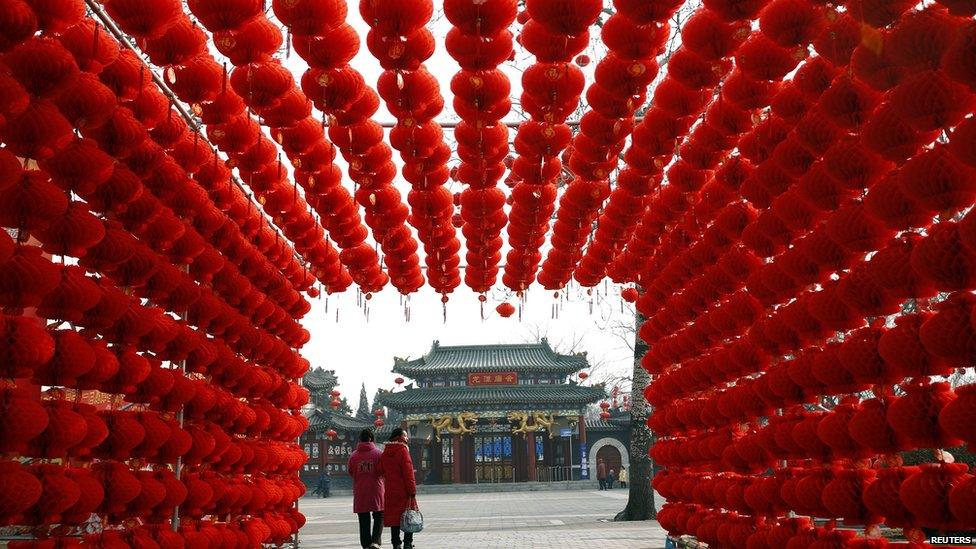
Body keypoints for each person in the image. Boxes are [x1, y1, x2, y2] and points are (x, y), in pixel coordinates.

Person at [378, 428, 417, 549]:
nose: (407, 438)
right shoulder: (403, 451)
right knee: (408, 516)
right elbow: (408, 473)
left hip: (390, 490)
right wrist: (412, 490)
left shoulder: (385, 452)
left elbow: (379, 470)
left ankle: (395, 543)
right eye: (405, 436)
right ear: (400, 437)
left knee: (394, 518)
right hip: (404, 491)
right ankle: (408, 542)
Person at [349, 429, 384, 549]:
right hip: (376, 489)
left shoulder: (354, 455)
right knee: (379, 515)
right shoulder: (379, 454)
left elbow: (351, 472)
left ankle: (365, 544)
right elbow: (381, 471)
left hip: (360, 489)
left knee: (363, 517)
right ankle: (375, 541)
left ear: (360, 439)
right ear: (371, 439)